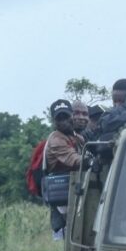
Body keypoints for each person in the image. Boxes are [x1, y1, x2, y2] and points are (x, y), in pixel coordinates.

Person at [45, 99, 86, 240]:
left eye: (66, 117)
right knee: (74, 238)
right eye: (59, 119)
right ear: (54, 121)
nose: (64, 122)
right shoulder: (56, 140)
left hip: (75, 191)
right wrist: (93, 161)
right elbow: (75, 160)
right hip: (63, 197)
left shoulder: (75, 137)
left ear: (72, 116)